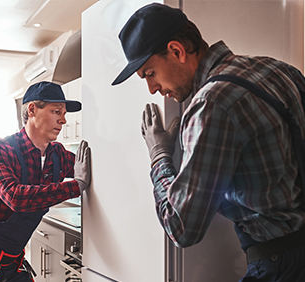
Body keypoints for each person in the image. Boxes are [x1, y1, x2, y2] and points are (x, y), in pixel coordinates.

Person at [112, 3, 305, 282]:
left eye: (150, 73)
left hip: (278, 266)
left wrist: (159, 156)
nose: (152, 89)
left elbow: (181, 227)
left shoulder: (211, 103)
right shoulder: (280, 70)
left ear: (177, 51)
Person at [0, 81, 91, 282]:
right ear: (32, 110)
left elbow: (92, 170)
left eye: (64, 114)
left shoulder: (58, 155)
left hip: (9, 261)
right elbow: (15, 197)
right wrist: (76, 186)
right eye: (56, 111)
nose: (63, 120)